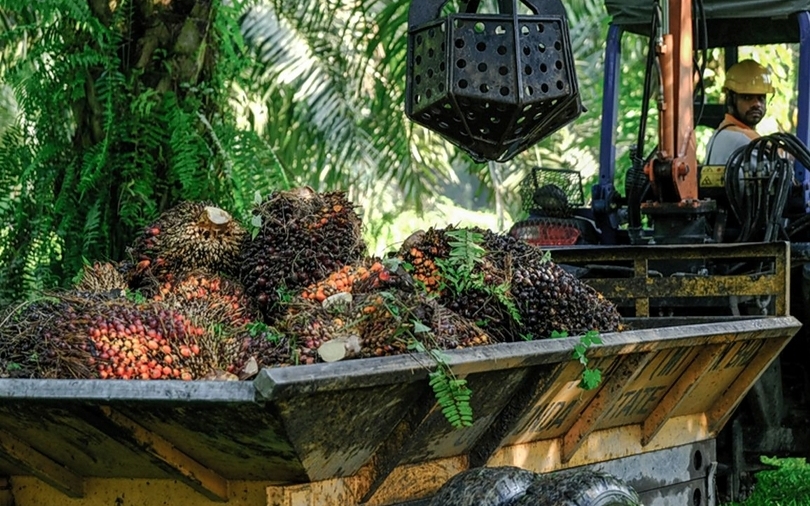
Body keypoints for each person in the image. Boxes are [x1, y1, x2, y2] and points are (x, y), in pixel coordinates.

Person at [704, 59, 775, 165]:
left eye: (761, 98)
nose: (757, 104)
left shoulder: (719, 134)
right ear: (731, 100)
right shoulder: (741, 139)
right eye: (747, 97)